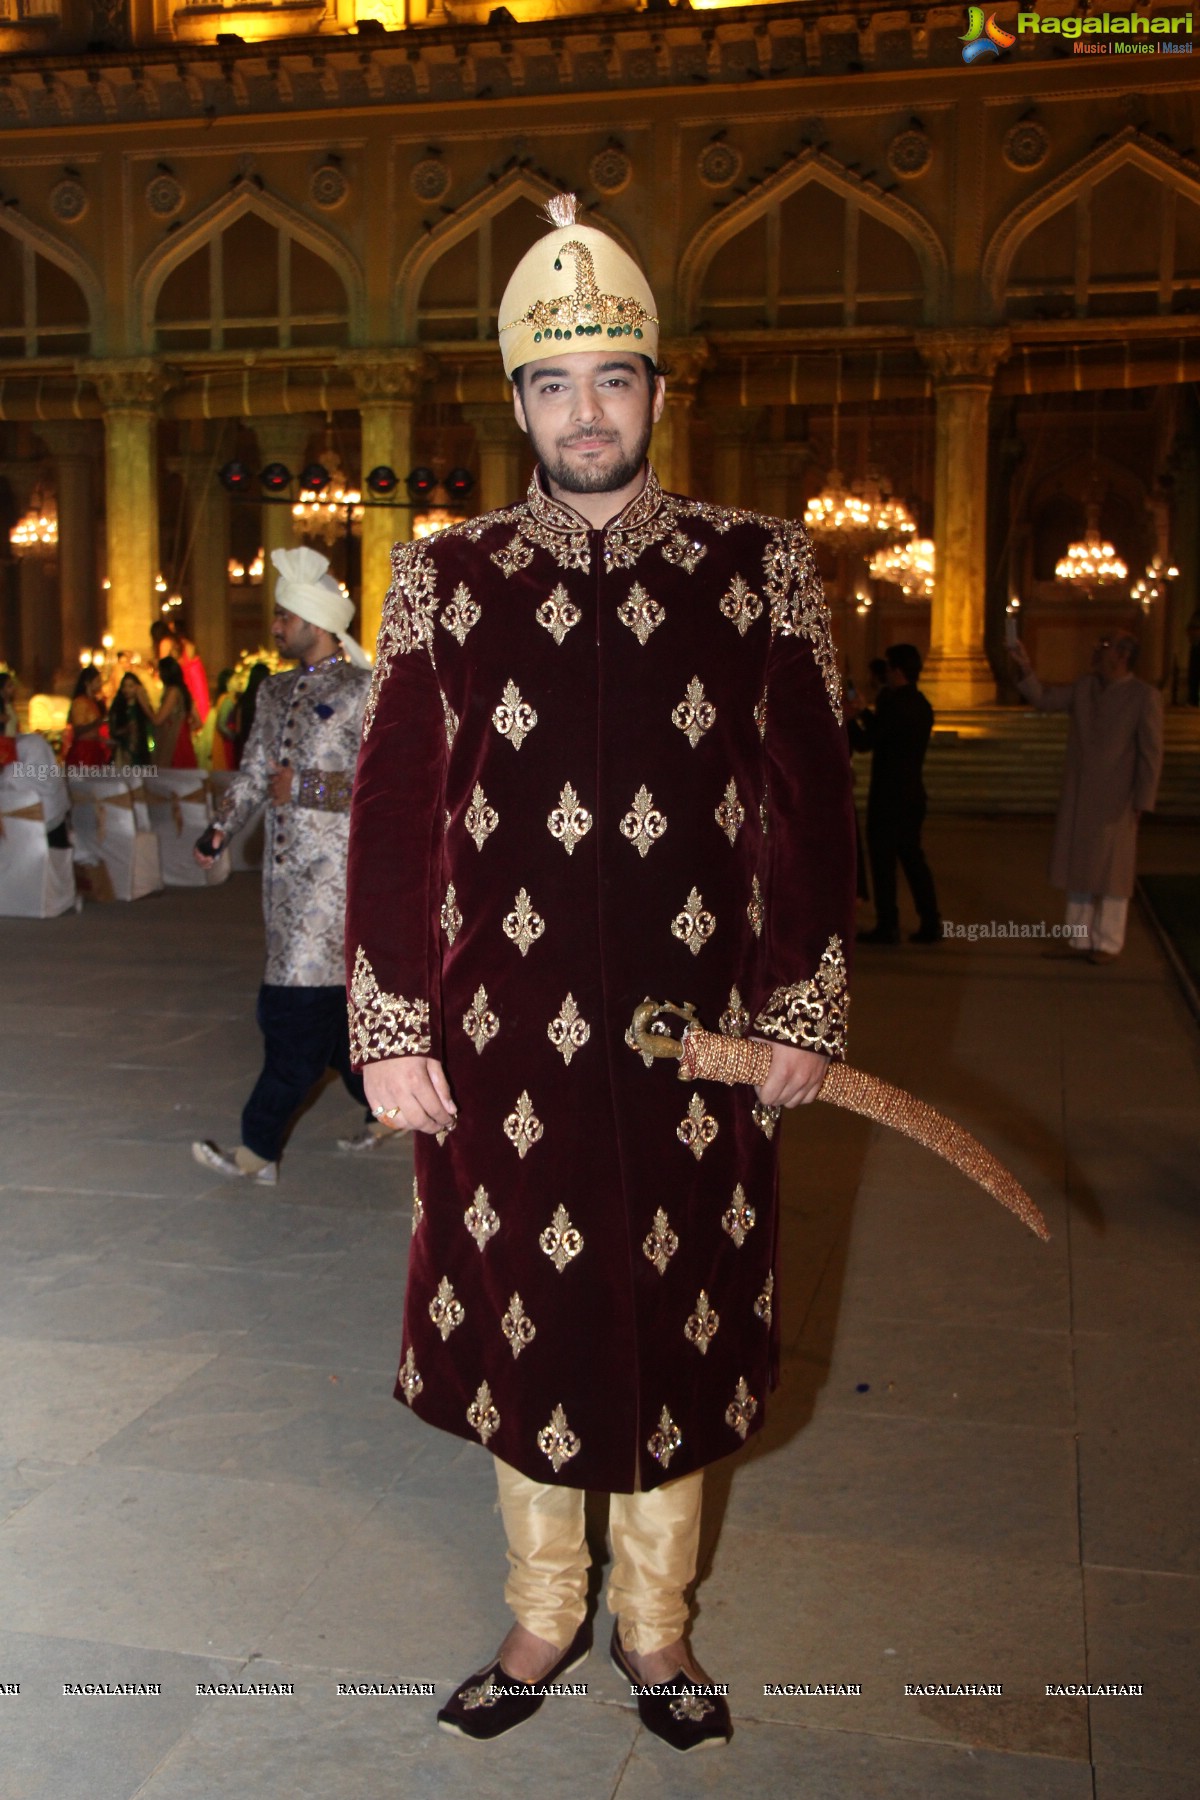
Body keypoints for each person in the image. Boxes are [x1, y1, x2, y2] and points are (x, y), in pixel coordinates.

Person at [344, 194, 856, 1750]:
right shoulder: (446, 576)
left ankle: (657, 1628)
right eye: (555, 386)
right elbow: (391, 822)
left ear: (654, 388)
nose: (587, 412)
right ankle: (545, 1610)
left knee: (682, 1320)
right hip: (503, 1044)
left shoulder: (760, 567)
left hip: (696, 1044)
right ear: (516, 404)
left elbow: (812, 809)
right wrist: (386, 1024)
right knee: (533, 1327)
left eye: (614, 380)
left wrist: (800, 1005)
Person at [191, 547, 382, 1183]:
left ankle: (258, 1149)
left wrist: (307, 788)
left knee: (291, 1016)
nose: (274, 628)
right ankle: (387, 1107)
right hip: (282, 886)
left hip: (337, 886)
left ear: (315, 621)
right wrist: (220, 829)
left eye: (283, 617)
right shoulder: (272, 691)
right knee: (326, 1016)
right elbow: (253, 772)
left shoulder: (365, 691)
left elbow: (389, 785)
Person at [1011, 631, 1163, 963]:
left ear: (1123, 657)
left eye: (1105, 650)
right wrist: (1025, 666)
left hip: (1117, 799)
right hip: (1079, 795)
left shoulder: (1143, 696)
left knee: (1112, 872)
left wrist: (1142, 800)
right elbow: (1045, 699)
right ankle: (1079, 939)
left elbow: (1151, 754)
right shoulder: (1085, 688)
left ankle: (1107, 942)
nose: (1097, 655)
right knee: (1078, 866)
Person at [849, 642, 941, 945]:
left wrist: (850, 719)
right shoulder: (921, 704)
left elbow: (868, 742)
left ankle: (888, 924)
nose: (884, 673)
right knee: (914, 860)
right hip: (913, 793)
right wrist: (865, 712)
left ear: (897, 671)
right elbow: (889, 734)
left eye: (888, 667)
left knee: (883, 862)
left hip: (888, 797)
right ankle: (931, 921)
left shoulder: (892, 702)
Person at [147, 655, 200, 769]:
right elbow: (198, 722)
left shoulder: (173, 692)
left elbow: (158, 720)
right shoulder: (183, 691)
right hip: (184, 737)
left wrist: (146, 706)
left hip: (173, 740)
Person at [64, 666, 110, 769]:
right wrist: (97, 722)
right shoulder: (80, 702)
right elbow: (78, 729)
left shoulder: (94, 702)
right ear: (87, 682)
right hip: (83, 750)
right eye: (97, 681)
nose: (100, 684)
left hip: (94, 748)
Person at [108, 672, 154, 769]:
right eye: (125, 686)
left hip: (141, 750)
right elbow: (113, 731)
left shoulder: (142, 708)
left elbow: (152, 723)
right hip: (123, 751)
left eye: (131, 686)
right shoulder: (118, 708)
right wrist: (126, 729)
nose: (127, 690)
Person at [199, 668, 239, 771]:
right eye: (235, 679)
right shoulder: (227, 701)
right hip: (226, 744)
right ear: (227, 683)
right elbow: (221, 724)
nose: (238, 681)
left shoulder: (227, 699)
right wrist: (234, 737)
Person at [235, 661, 270, 765]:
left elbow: (238, 727)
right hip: (263, 746)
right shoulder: (267, 699)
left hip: (244, 743)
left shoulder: (244, 699)